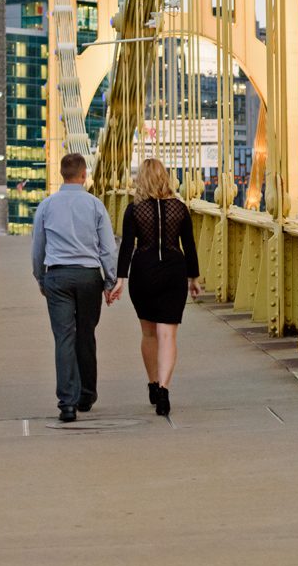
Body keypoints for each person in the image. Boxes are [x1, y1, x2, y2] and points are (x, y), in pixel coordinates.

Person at [106, 158, 202, 417]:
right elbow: (189, 245)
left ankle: (152, 383)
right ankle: (164, 390)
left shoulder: (134, 210)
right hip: (173, 273)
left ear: (141, 179)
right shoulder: (180, 208)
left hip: (143, 273)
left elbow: (127, 246)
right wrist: (193, 278)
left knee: (149, 334)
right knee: (168, 336)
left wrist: (120, 279)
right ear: (165, 177)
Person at [32, 152, 117, 423]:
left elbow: (38, 248)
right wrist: (110, 281)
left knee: (64, 338)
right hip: (88, 276)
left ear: (61, 174)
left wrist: (41, 278)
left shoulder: (46, 206)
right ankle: (87, 395)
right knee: (86, 334)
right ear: (84, 175)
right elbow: (108, 248)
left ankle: (67, 404)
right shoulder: (95, 205)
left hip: (57, 276)